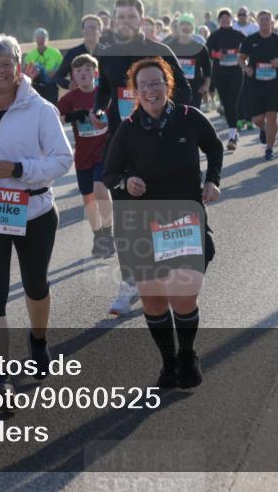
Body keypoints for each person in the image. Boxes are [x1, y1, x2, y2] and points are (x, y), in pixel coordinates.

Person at [0, 35, 73, 399]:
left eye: (6, 63)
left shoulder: (40, 110)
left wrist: (20, 169)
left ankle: (38, 340)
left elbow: (62, 159)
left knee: (35, 284)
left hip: (34, 211)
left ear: (18, 66)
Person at [103, 57, 223, 388]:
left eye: (156, 83)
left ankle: (187, 353)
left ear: (167, 85)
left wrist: (213, 180)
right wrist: (126, 182)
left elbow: (214, 147)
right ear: (135, 92)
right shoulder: (128, 129)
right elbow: (109, 173)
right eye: (143, 86)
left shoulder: (189, 118)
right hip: (141, 223)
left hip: (184, 220)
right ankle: (168, 362)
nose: (150, 91)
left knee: (183, 296)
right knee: (154, 299)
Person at [91, 0, 192, 316]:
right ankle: (129, 281)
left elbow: (185, 92)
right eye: (120, 16)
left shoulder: (159, 52)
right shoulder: (105, 54)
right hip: (121, 144)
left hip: (159, 146)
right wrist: (97, 108)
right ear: (114, 21)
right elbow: (104, 91)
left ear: (141, 19)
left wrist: (161, 111)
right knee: (124, 222)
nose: (125, 21)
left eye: (131, 16)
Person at [56, 55, 114, 258]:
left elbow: (118, 117)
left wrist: (104, 122)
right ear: (73, 76)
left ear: (95, 74)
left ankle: (108, 232)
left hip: (104, 152)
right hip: (83, 155)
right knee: (88, 197)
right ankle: (98, 234)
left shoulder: (105, 94)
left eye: (87, 70)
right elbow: (55, 116)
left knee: (100, 189)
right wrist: (72, 116)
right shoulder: (71, 98)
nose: (83, 74)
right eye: (78, 71)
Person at [238, 11, 278, 161]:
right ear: (257, 21)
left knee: (272, 117)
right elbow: (241, 58)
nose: (264, 22)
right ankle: (263, 128)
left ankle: (269, 149)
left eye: (266, 19)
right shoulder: (250, 40)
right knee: (257, 119)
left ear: (271, 22)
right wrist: (246, 68)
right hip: (255, 84)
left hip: (274, 85)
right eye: (261, 19)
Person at [207, 8, 245, 151]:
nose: (225, 19)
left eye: (227, 17)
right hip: (220, 74)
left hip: (236, 73)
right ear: (219, 20)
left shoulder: (238, 34)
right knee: (226, 104)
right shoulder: (215, 35)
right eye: (222, 17)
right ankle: (233, 132)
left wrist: (242, 55)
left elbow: (248, 47)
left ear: (231, 19)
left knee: (232, 103)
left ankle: (232, 136)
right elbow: (206, 51)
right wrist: (217, 55)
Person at [165, 14, 212, 109]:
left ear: (192, 28)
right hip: (175, 90)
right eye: (182, 24)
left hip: (195, 90)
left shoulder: (200, 48)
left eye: (188, 24)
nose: (185, 26)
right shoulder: (169, 47)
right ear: (178, 27)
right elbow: (162, 68)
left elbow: (208, 70)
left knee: (193, 120)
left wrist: (206, 86)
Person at [56, 14, 103, 90]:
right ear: (82, 31)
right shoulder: (73, 53)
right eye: (87, 28)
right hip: (80, 97)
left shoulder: (109, 54)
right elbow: (58, 76)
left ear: (100, 32)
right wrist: (68, 84)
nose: (90, 30)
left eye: (93, 28)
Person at [22, 28, 63, 105]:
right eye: (38, 38)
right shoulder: (30, 55)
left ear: (47, 39)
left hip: (51, 86)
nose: (40, 40)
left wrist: (55, 72)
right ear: (35, 39)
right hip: (36, 86)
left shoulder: (55, 53)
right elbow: (26, 71)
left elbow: (63, 66)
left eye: (43, 38)